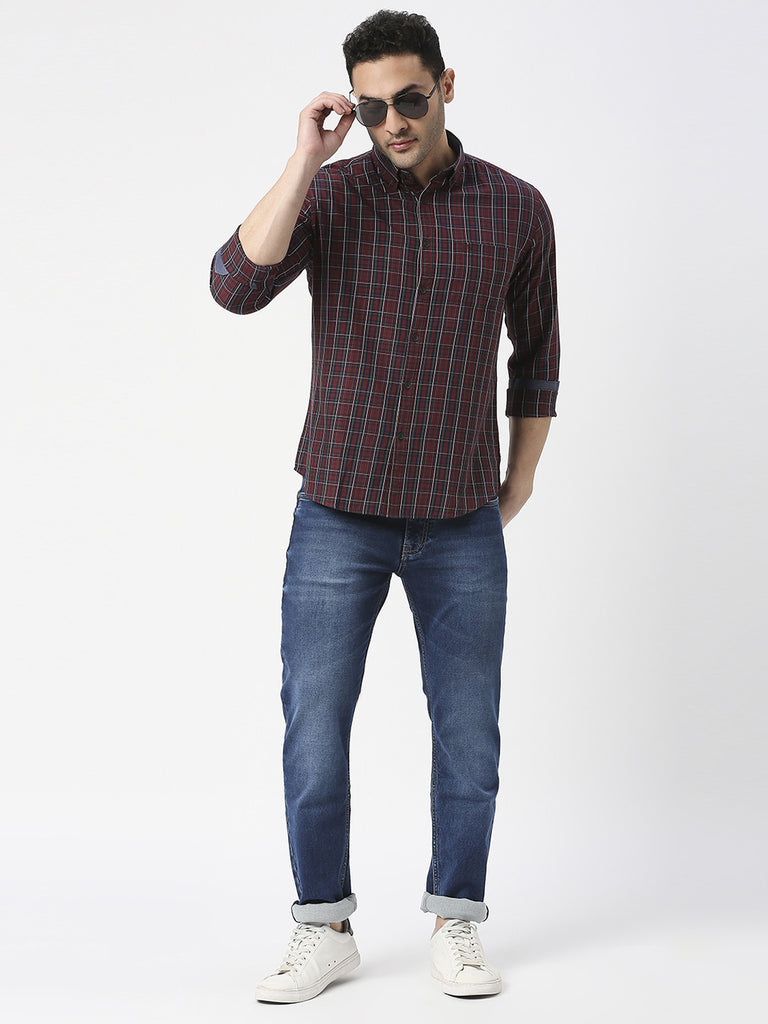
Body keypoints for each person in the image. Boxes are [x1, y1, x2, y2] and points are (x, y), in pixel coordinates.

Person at [210, 9, 559, 1003]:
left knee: (470, 733)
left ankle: (459, 919)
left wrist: (520, 480)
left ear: (447, 85)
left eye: (409, 99)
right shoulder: (331, 195)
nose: (392, 122)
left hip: (460, 518)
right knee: (314, 728)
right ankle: (323, 926)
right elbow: (234, 286)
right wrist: (305, 158)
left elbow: (538, 356)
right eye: (371, 107)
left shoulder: (515, 208)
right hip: (338, 512)